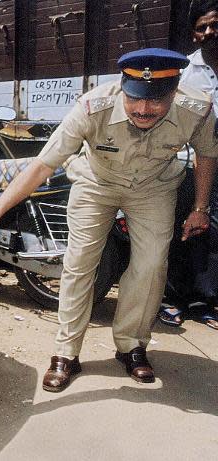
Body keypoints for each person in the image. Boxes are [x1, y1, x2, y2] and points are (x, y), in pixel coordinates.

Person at [0, 48, 218, 393]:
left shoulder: (197, 109)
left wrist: (200, 207)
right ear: (123, 88)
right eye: (135, 100)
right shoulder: (92, 107)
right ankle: (66, 353)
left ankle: (131, 346)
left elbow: (207, 152)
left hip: (153, 188)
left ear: (174, 92)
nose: (143, 110)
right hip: (96, 184)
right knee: (80, 262)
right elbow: (43, 165)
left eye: (156, 102)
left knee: (152, 264)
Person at [157, 0, 218, 330]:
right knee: (183, 230)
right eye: (202, 27)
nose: (209, 32)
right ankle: (173, 298)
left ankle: (203, 299)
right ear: (194, 35)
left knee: (213, 236)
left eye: (215, 25)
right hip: (191, 165)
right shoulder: (185, 74)